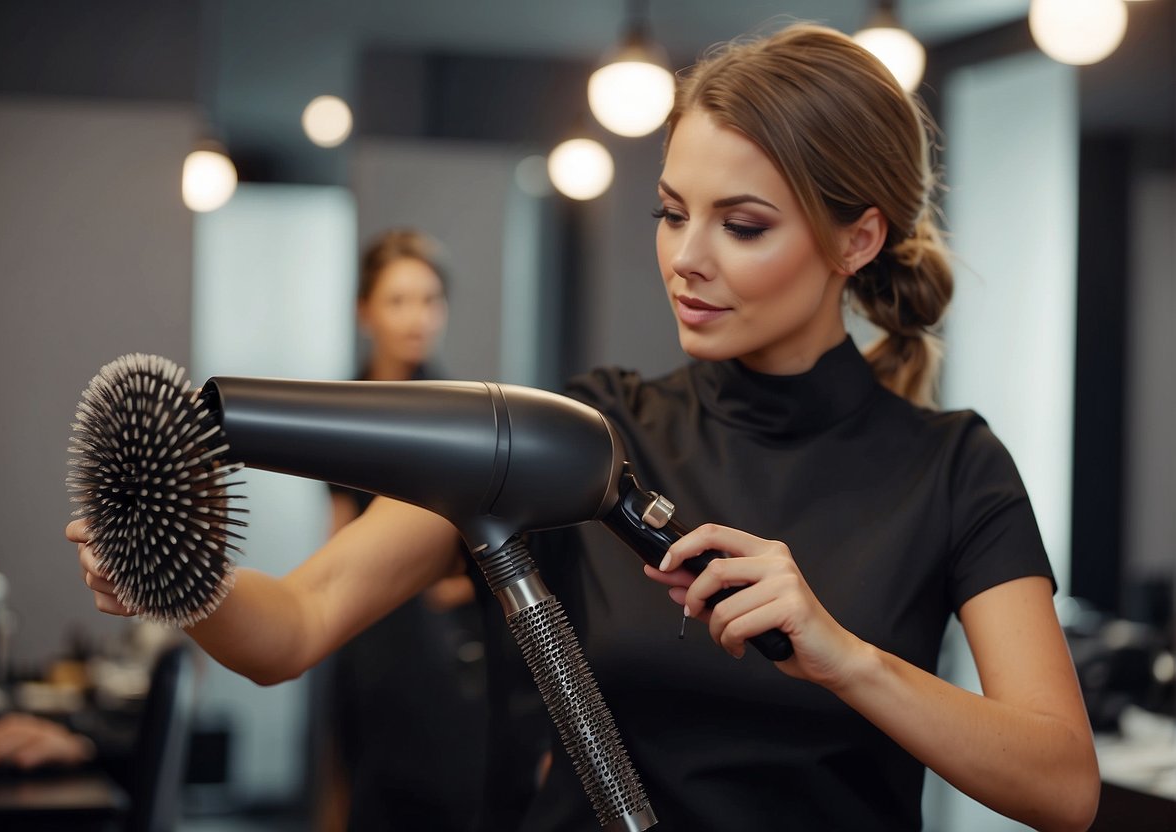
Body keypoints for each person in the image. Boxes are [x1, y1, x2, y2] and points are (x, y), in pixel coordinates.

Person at [69, 24, 1100, 832]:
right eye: (669, 210)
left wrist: (842, 654)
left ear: (856, 236)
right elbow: (293, 624)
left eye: (740, 225)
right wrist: (181, 572)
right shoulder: (580, 437)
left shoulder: (954, 469)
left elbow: (1061, 785)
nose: (685, 258)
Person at [313, 228, 489, 832]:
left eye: (430, 299)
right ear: (366, 311)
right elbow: (338, 531)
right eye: (398, 300)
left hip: (441, 641)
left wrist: (458, 591)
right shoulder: (342, 410)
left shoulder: (461, 409)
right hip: (367, 630)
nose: (418, 317)